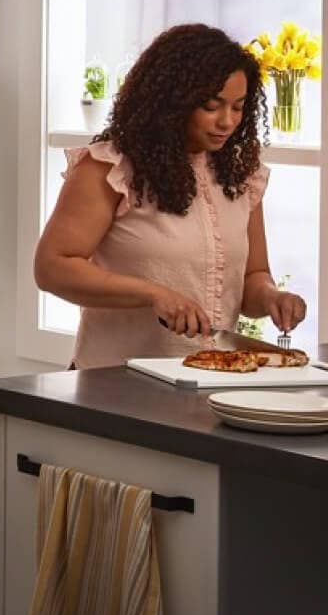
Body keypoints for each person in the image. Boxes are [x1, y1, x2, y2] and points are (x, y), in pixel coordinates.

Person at [34, 23, 307, 369]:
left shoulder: (241, 175)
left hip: (213, 381)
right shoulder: (110, 168)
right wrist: (153, 294)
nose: (227, 121)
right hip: (115, 383)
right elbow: (52, 267)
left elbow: (252, 278)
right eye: (212, 106)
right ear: (172, 103)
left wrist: (271, 296)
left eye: (238, 107)